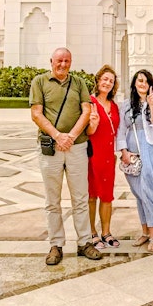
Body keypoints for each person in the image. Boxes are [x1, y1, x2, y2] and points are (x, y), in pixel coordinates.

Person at [30, 47, 102, 265]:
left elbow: (86, 111)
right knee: (52, 200)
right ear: (51, 61)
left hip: (77, 147)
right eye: (59, 60)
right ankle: (56, 245)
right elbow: (36, 114)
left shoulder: (79, 83)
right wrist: (57, 136)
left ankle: (84, 242)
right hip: (51, 148)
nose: (63, 64)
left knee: (80, 198)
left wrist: (71, 136)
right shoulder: (39, 82)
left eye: (67, 61)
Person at [117, 69, 153, 253]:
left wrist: (152, 105)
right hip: (132, 153)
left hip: (151, 151)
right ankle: (145, 232)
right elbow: (120, 130)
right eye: (139, 80)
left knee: (150, 192)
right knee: (139, 193)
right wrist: (124, 152)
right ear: (135, 83)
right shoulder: (126, 105)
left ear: (150, 85)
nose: (142, 84)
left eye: (146, 81)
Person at [86, 65, 120, 249]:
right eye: (105, 79)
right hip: (92, 155)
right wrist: (93, 124)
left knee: (107, 195)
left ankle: (106, 232)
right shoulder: (89, 103)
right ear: (98, 80)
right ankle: (92, 233)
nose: (107, 83)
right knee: (92, 195)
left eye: (111, 81)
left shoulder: (114, 106)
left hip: (108, 156)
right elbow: (86, 131)